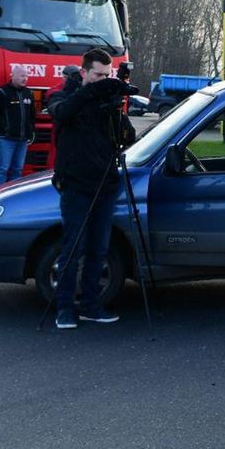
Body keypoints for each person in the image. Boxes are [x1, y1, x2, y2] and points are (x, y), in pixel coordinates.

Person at [47, 48, 136, 330]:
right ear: (84, 72)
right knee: (73, 248)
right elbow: (62, 114)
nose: (103, 79)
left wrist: (115, 107)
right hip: (76, 186)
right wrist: (93, 93)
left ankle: (90, 305)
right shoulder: (65, 96)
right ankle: (64, 308)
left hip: (105, 184)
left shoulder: (105, 101)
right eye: (98, 74)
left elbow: (127, 138)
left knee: (99, 248)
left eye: (107, 75)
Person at [0, 65, 35, 186]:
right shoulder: (2, 91)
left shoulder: (28, 93)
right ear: (13, 76)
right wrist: (5, 127)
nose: (25, 78)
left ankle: (12, 198)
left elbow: (32, 114)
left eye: (26, 76)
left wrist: (31, 130)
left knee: (18, 170)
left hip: (23, 140)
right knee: (3, 169)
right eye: (21, 76)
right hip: (7, 139)